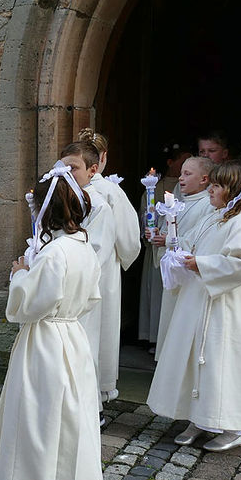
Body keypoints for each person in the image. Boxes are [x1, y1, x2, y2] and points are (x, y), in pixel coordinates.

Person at [0, 161, 106, 480]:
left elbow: (28, 306)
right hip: (73, 336)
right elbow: (92, 297)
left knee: (41, 415)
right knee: (75, 417)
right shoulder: (84, 247)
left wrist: (20, 276)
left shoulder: (55, 253)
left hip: (46, 339)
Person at [148, 160, 241, 451]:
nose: (210, 190)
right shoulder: (215, 216)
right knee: (195, 358)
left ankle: (234, 426)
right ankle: (199, 418)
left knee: (221, 361)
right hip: (198, 297)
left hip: (225, 304)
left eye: (217, 186)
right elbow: (192, 241)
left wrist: (201, 264)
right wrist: (176, 244)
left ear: (236, 191)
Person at [82, 128, 141, 401]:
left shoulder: (62, 187)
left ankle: (86, 392)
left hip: (73, 265)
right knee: (100, 327)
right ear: (103, 157)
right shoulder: (110, 191)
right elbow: (129, 238)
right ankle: (99, 391)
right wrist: (125, 256)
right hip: (104, 270)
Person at [58, 142, 115, 416]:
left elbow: (97, 250)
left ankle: (91, 408)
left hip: (82, 286)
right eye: (64, 166)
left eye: (74, 167)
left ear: (93, 170)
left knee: (84, 346)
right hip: (62, 283)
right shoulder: (62, 198)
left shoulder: (99, 206)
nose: (67, 172)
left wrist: (63, 265)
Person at [152, 157, 216, 359]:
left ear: (204, 179)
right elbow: (168, 232)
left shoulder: (208, 204)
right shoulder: (180, 202)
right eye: (180, 173)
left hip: (190, 273)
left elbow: (203, 238)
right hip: (174, 272)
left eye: (187, 174)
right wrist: (157, 234)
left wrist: (171, 241)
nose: (180, 178)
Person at [138, 142, 192, 347]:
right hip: (158, 247)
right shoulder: (157, 187)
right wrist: (151, 232)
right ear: (171, 162)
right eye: (182, 160)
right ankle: (153, 336)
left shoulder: (186, 187)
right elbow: (147, 215)